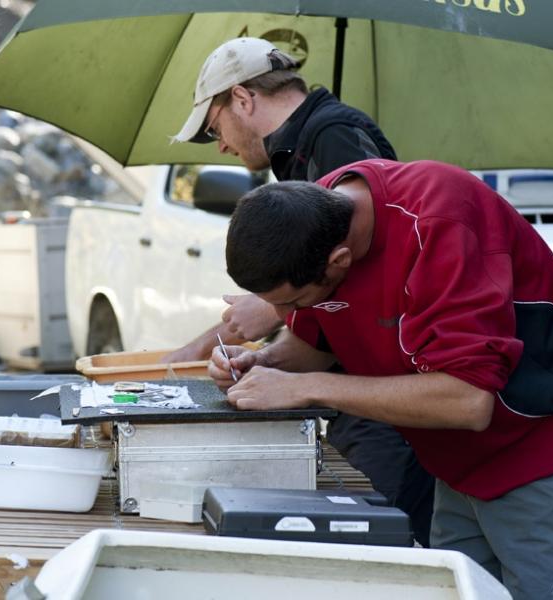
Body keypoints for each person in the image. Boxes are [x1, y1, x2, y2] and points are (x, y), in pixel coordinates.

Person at [210, 159, 553, 599]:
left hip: (543, 450)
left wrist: (303, 387)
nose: (288, 315)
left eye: (292, 302)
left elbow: (467, 400)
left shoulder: (441, 220)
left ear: (339, 260)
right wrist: (265, 363)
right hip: (457, 467)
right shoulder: (318, 212)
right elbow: (321, 339)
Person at [169, 37, 435, 547]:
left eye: (214, 127)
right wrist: (262, 355)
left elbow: (359, 275)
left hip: (386, 395)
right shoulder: (301, 148)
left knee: (384, 544)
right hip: (354, 381)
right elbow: (326, 301)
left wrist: (270, 309)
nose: (220, 143)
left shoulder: (334, 135)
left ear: (243, 99)